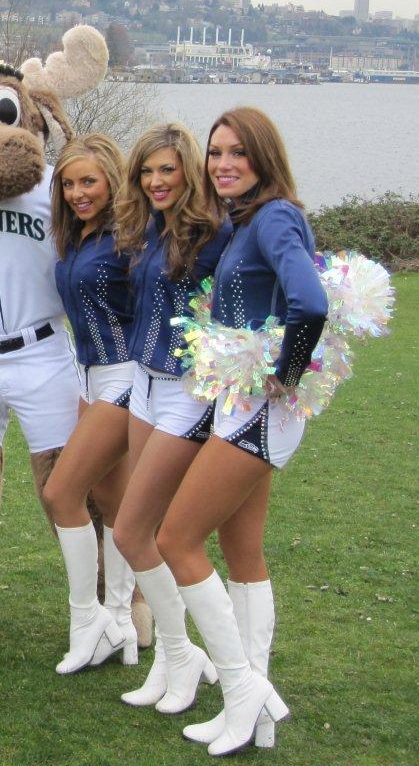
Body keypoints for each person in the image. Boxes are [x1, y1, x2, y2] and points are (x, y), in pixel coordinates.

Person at [154, 108, 325, 755]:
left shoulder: (276, 215)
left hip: (259, 409)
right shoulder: (246, 220)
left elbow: (309, 301)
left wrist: (286, 371)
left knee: (176, 536)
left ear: (263, 159)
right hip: (244, 406)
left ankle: (240, 686)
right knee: (243, 552)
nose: (223, 164)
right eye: (216, 153)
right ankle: (252, 710)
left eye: (238, 154)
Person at [110, 122, 233, 714]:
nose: (156, 181)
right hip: (142, 382)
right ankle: (172, 657)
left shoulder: (214, 234)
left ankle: (183, 655)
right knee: (139, 529)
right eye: (147, 171)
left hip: (187, 391)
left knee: (137, 532)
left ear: (189, 170)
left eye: (167, 169)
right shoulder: (148, 229)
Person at [41, 133, 138, 673]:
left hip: (124, 376)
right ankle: (120, 620)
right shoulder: (76, 236)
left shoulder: (131, 236)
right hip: (88, 376)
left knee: (61, 494)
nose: (78, 193)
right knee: (117, 508)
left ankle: (89, 620)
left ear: (112, 182)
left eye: (89, 182)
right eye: (69, 183)